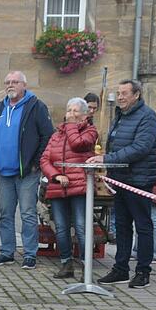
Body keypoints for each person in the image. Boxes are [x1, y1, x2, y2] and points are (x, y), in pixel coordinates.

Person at [88, 79, 156, 289]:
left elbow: (141, 147)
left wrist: (108, 159)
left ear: (136, 95)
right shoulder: (120, 116)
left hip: (138, 180)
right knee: (121, 226)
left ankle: (143, 271)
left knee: (143, 225)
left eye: (124, 93)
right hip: (119, 179)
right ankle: (121, 268)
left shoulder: (147, 117)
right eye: (118, 93)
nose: (120, 97)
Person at [0, 71, 53, 269]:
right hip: (3, 172)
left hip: (27, 172)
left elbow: (47, 136)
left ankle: (30, 254)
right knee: (5, 213)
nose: (10, 85)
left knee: (27, 214)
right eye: (7, 82)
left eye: (15, 82)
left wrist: (35, 163)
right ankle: (7, 252)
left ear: (24, 84)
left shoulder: (36, 106)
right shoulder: (0, 107)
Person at [39, 98, 98, 278]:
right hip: (59, 187)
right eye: (69, 110)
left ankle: (86, 266)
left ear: (84, 114)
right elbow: (45, 159)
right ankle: (66, 263)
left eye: (75, 111)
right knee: (62, 227)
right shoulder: (57, 135)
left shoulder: (90, 131)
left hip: (79, 187)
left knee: (81, 226)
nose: (71, 114)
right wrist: (56, 176)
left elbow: (77, 144)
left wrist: (71, 126)